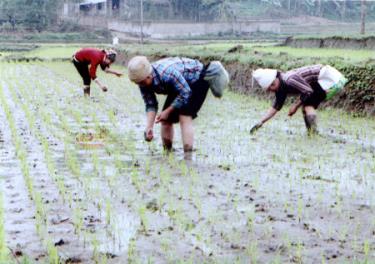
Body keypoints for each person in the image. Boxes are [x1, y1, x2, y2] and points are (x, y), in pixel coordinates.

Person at [127, 56, 229, 153]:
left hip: (196, 79)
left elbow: (185, 92)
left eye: (141, 83)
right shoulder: (143, 81)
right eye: (137, 83)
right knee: (165, 120)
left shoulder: (167, 74)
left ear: (149, 76)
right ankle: (167, 152)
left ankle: (188, 155)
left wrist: (167, 111)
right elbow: (150, 104)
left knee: (184, 116)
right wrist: (149, 127)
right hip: (179, 85)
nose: (140, 86)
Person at [250, 64, 346, 135]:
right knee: (306, 106)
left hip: (329, 79)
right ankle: (311, 133)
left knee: (308, 106)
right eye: (269, 89)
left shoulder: (289, 79)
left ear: (275, 80)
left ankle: (313, 134)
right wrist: (260, 122)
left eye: (272, 86)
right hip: (317, 83)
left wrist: (295, 106)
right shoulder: (281, 87)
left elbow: (308, 91)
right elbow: (276, 107)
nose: (272, 90)